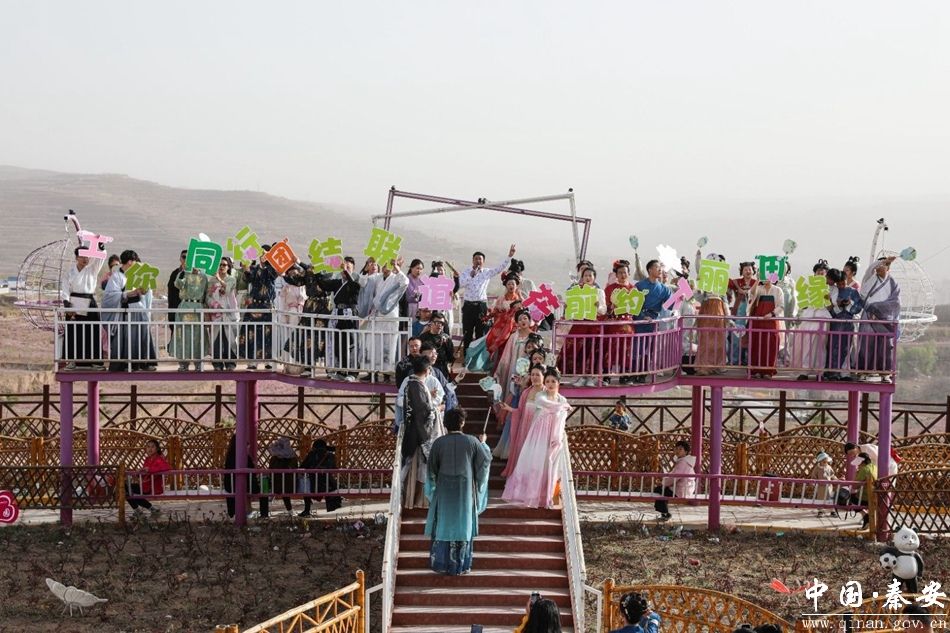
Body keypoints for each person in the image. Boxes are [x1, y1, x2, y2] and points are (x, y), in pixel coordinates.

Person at [423, 408, 491, 575]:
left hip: (444, 491)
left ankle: (441, 564)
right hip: (465, 492)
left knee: (443, 523)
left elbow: (431, 471)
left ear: (445, 424)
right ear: (463, 423)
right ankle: (461, 565)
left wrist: (433, 491)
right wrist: (483, 444)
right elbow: (485, 462)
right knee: (463, 524)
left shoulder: (438, 443)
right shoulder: (472, 441)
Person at [503, 367, 572, 509]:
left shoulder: (562, 399)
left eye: (553, 381)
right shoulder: (541, 396)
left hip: (554, 434)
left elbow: (562, 416)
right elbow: (547, 405)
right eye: (548, 381)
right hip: (539, 433)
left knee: (549, 464)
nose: (550, 384)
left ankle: (545, 495)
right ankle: (530, 494)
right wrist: (563, 406)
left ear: (558, 383)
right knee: (535, 462)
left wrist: (563, 407)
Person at [103, 250, 157, 372]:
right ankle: (124, 364)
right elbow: (109, 296)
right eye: (135, 262)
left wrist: (144, 291)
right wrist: (129, 293)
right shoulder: (117, 276)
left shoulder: (137, 275)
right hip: (125, 312)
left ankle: (144, 363)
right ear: (130, 262)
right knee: (126, 338)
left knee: (143, 335)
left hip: (139, 310)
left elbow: (145, 293)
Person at [401, 355, 444, 508]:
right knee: (413, 468)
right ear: (427, 370)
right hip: (418, 433)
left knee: (417, 468)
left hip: (414, 430)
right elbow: (423, 413)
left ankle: (417, 499)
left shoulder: (412, 384)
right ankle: (414, 500)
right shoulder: (416, 386)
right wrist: (438, 409)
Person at [359, 256, 409, 382]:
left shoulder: (396, 278)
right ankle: (372, 373)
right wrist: (366, 268)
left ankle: (387, 373)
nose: (386, 268)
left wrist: (397, 267)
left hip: (390, 317)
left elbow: (405, 282)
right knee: (373, 345)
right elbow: (363, 281)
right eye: (384, 265)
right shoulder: (377, 277)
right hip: (376, 317)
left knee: (389, 346)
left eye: (388, 265)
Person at [459, 245, 516, 355]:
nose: (478, 261)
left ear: (483, 261)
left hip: (481, 306)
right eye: (476, 259)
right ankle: (466, 357)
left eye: (480, 259)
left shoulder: (487, 272)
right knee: (467, 333)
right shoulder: (466, 272)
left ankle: (477, 358)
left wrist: (509, 256)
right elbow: (460, 284)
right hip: (468, 306)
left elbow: (500, 268)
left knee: (480, 333)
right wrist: (471, 276)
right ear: (472, 260)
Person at [60, 246, 107, 369]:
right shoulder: (69, 272)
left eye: (87, 256)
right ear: (77, 257)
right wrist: (66, 302)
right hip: (74, 303)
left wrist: (101, 248)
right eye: (82, 256)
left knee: (92, 332)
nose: (85, 259)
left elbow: (100, 259)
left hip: (89, 303)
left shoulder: (92, 269)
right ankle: (72, 361)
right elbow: (65, 289)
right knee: (73, 332)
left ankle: (95, 362)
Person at [559, 266, 606, 386]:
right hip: (579, 324)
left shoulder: (599, 292)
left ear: (594, 278)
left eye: (590, 275)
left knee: (591, 351)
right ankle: (578, 376)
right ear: (582, 277)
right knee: (576, 349)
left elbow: (603, 310)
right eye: (585, 275)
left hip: (593, 325)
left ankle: (590, 377)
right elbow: (570, 308)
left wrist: (598, 306)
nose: (588, 278)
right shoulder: (576, 290)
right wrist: (568, 307)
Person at [857, 256, 901, 382]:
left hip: (885, 319)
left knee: (886, 346)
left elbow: (896, 303)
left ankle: (885, 373)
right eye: (878, 264)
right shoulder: (869, 278)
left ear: (888, 268)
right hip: (868, 316)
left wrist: (878, 310)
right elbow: (870, 269)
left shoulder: (893, 283)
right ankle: (863, 371)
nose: (879, 267)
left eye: (883, 265)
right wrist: (883, 260)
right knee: (866, 344)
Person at [320, 256, 363, 380]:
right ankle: (341, 371)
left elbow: (353, 287)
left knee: (351, 343)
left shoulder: (356, 282)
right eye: (344, 267)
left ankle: (353, 373)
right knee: (338, 343)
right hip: (337, 314)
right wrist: (317, 269)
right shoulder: (338, 282)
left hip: (350, 315)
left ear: (353, 269)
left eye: (348, 267)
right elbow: (323, 285)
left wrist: (346, 272)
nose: (345, 270)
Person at [501, 364, 546, 477]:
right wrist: (509, 409)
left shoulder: (546, 393)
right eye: (532, 374)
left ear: (544, 376)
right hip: (524, 429)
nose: (534, 377)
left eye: (537, 375)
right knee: (522, 453)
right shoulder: (526, 392)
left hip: (538, 430)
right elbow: (520, 411)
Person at [237, 251, 280, 370]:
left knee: (268, 334)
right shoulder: (254, 268)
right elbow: (249, 278)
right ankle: (252, 361)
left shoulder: (272, 269)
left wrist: (268, 263)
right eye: (262, 255)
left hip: (267, 305)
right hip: (254, 305)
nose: (264, 257)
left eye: (266, 254)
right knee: (251, 333)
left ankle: (268, 361)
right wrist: (246, 269)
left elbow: (274, 275)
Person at [632, 260, 672, 383]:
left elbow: (670, 306)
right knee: (637, 348)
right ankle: (633, 373)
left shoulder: (664, 289)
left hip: (653, 321)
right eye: (657, 267)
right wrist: (642, 316)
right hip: (640, 320)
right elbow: (633, 304)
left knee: (649, 349)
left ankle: (643, 374)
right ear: (650, 270)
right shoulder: (640, 285)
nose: (660, 270)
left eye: (660, 268)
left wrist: (679, 297)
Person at [793, 260, 831, 381]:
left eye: (822, 272)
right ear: (814, 273)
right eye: (818, 272)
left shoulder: (829, 287)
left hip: (822, 318)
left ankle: (820, 371)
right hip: (809, 317)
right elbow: (803, 304)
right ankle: (804, 371)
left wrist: (827, 298)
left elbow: (830, 306)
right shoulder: (808, 286)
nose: (820, 274)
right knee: (806, 344)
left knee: (820, 346)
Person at [824, 268, 864, 381]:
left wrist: (849, 304)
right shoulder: (834, 291)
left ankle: (844, 373)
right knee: (833, 347)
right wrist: (838, 305)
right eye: (839, 284)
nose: (841, 286)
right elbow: (830, 308)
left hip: (848, 322)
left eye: (843, 283)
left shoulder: (853, 291)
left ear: (847, 280)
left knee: (846, 348)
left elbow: (859, 306)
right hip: (836, 322)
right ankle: (833, 372)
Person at [171, 265, 209, 371]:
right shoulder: (184, 274)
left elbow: (206, 293)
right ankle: (183, 363)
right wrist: (183, 272)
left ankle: (198, 362)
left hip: (198, 307)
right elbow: (177, 284)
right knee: (182, 335)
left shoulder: (204, 276)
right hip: (185, 306)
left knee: (198, 335)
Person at [223, 433, 269, 519]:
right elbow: (253, 471)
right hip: (245, 486)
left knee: (240, 487)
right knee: (264, 490)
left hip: (230, 486)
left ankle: (234, 512)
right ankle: (264, 514)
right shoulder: (244, 456)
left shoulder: (229, 456)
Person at [604, 259, 636, 383]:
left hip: (627, 325)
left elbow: (636, 308)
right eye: (620, 273)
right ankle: (606, 375)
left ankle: (625, 375)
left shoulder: (633, 289)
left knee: (626, 351)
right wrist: (611, 308)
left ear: (629, 273)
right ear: (616, 275)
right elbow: (605, 308)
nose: (623, 275)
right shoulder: (610, 289)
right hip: (613, 325)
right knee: (609, 350)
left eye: (625, 272)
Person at [748, 275, 784, 379]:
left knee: (771, 345)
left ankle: (768, 371)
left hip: (771, 322)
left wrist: (772, 314)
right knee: (757, 345)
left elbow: (781, 306)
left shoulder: (777, 290)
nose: (765, 278)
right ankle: (756, 370)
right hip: (758, 321)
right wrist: (757, 280)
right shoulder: (759, 289)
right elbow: (751, 294)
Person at [494, 308, 534, 401]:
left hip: (528, 368)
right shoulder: (513, 336)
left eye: (525, 318)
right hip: (514, 367)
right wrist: (502, 368)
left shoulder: (534, 336)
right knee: (512, 389)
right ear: (516, 323)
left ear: (529, 320)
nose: (523, 321)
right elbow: (506, 354)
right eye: (520, 319)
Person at [206, 257, 239, 370]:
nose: (221, 267)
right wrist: (214, 305)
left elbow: (228, 290)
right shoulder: (212, 281)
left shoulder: (231, 279)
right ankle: (217, 364)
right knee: (216, 339)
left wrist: (219, 279)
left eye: (224, 265)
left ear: (228, 267)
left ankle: (230, 363)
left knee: (230, 339)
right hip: (216, 314)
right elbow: (208, 297)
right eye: (219, 265)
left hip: (229, 314)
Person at [126, 439, 171, 518]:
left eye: (152, 447)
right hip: (145, 486)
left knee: (127, 491)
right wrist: (139, 473)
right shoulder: (147, 459)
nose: (150, 449)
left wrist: (149, 469)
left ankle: (141, 510)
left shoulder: (160, 459)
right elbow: (145, 475)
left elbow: (166, 467)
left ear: (157, 449)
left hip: (154, 488)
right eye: (148, 447)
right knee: (126, 490)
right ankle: (149, 508)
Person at [486, 272, 525, 363]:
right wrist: (492, 312)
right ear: (506, 286)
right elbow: (496, 311)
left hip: (515, 326)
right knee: (501, 346)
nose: (511, 286)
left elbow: (523, 312)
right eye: (509, 284)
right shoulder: (501, 298)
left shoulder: (519, 298)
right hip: (503, 326)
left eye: (513, 284)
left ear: (516, 286)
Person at [654, 440, 696, 521]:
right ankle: (664, 512)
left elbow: (674, 478)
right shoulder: (684, 461)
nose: (677, 451)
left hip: (681, 490)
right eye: (676, 448)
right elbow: (674, 476)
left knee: (659, 490)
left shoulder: (683, 463)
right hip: (684, 488)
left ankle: (665, 513)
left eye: (680, 449)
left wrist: (663, 483)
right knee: (661, 490)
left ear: (686, 452)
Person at [299, 439, 343, 517]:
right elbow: (333, 468)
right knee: (332, 486)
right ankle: (334, 508)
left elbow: (303, 466)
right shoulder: (330, 455)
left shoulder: (312, 454)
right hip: (327, 484)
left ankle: (307, 510)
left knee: (306, 488)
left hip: (314, 484)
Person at [727, 261, 758, 365]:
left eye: (750, 269)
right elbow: (726, 281)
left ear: (753, 271)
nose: (748, 271)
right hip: (739, 314)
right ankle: (734, 361)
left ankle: (750, 361)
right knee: (736, 337)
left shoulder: (757, 283)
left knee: (751, 338)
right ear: (742, 271)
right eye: (745, 269)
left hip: (752, 313)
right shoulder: (737, 282)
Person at [694, 295, 729, 376]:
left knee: (718, 342)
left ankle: (716, 366)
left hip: (717, 312)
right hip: (709, 311)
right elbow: (698, 298)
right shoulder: (704, 291)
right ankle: (704, 367)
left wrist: (728, 317)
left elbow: (725, 301)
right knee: (705, 341)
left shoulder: (721, 291)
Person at [268, 437, 298, 516]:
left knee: (271, 487)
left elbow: (270, 471)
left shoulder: (274, 458)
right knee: (285, 486)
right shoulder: (293, 458)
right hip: (291, 485)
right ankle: (290, 510)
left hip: (276, 486)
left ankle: (265, 511)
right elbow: (296, 470)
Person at [419, 311, 455, 377]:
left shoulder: (446, 338)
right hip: (427, 367)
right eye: (437, 323)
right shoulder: (423, 337)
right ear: (431, 323)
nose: (440, 325)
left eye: (442, 323)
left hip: (442, 368)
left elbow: (450, 356)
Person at [809, 451, 838, 517]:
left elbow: (832, 475)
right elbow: (813, 477)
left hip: (829, 486)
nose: (825, 462)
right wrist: (813, 483)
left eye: (826, 461)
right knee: (820, 499)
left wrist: (836, 479)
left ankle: (832, 511)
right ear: (820, 461)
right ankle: (821, 511)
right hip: (820, 487)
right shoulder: (817, 468)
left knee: (830, 498)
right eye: (823, 461)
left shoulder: (829, 467)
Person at [852, 451, 876, 530]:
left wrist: (856, 474)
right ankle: (867, 517)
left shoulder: (864, 469)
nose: (858, 465)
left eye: (859, 463)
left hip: (865, 497)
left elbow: (855, 486)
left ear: (862, 462)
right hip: (875, 496)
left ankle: (865, 516)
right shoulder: (874, 467)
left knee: (848, 499)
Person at [166, 250, 186, 333]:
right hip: (175, 309)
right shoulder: (175, 273)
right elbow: (171, 290)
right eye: (184, 257)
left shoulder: (194, 275)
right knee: (175, 334)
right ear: (180, 259)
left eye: (188, 257)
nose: (186, 259)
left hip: (188, 310)